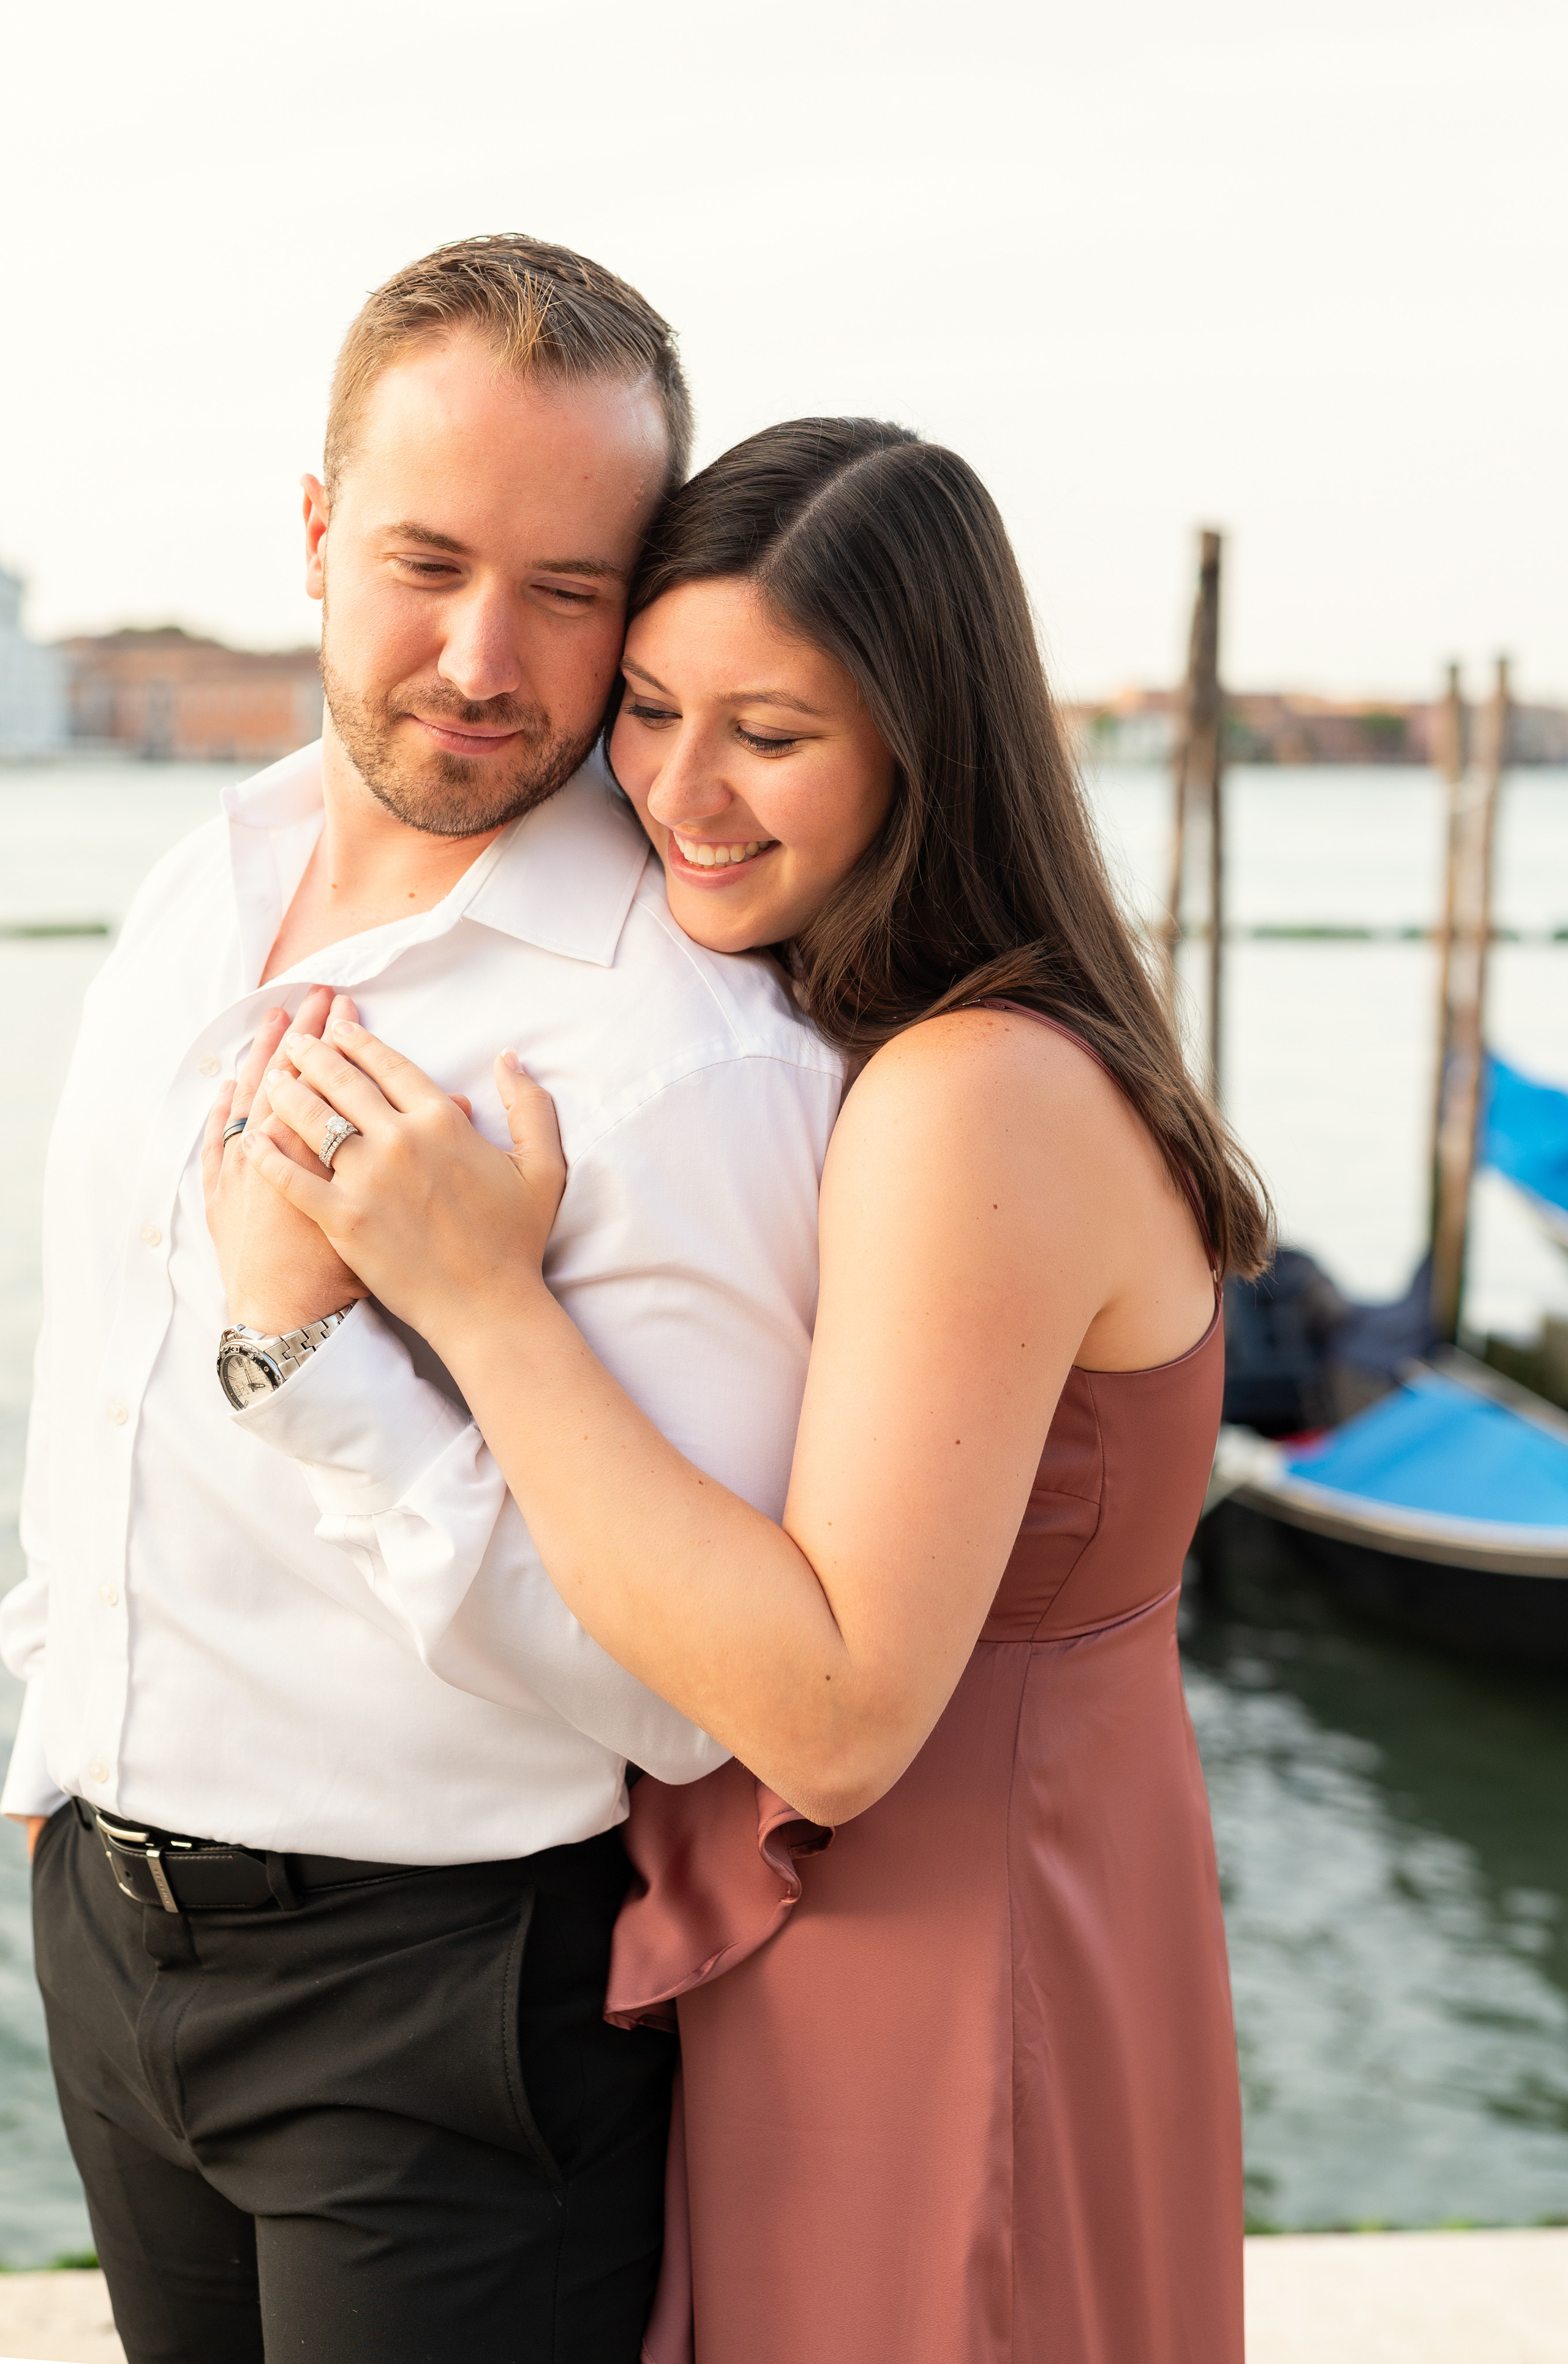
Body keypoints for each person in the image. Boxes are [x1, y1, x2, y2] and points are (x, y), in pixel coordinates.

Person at [236, 416, 1270, 2364]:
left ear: (921, 740)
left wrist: (481, 1298)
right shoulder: (921, 1047)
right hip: (967, 1934)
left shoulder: (971, 1093)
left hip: (947, 1978)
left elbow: (839, 1710)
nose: (679, 791)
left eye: (769, 734)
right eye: (645, 707)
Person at [0, 238, 846, 2364]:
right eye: (426, 559)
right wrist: (49, 1739)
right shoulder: (201, 878)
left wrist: (320, 1367)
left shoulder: (680, 1053)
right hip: (109, 1934)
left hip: (436, 2008)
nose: (485, 657)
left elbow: (685, 1696)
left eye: (572, 588)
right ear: (311, 532)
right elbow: (82, 1346)